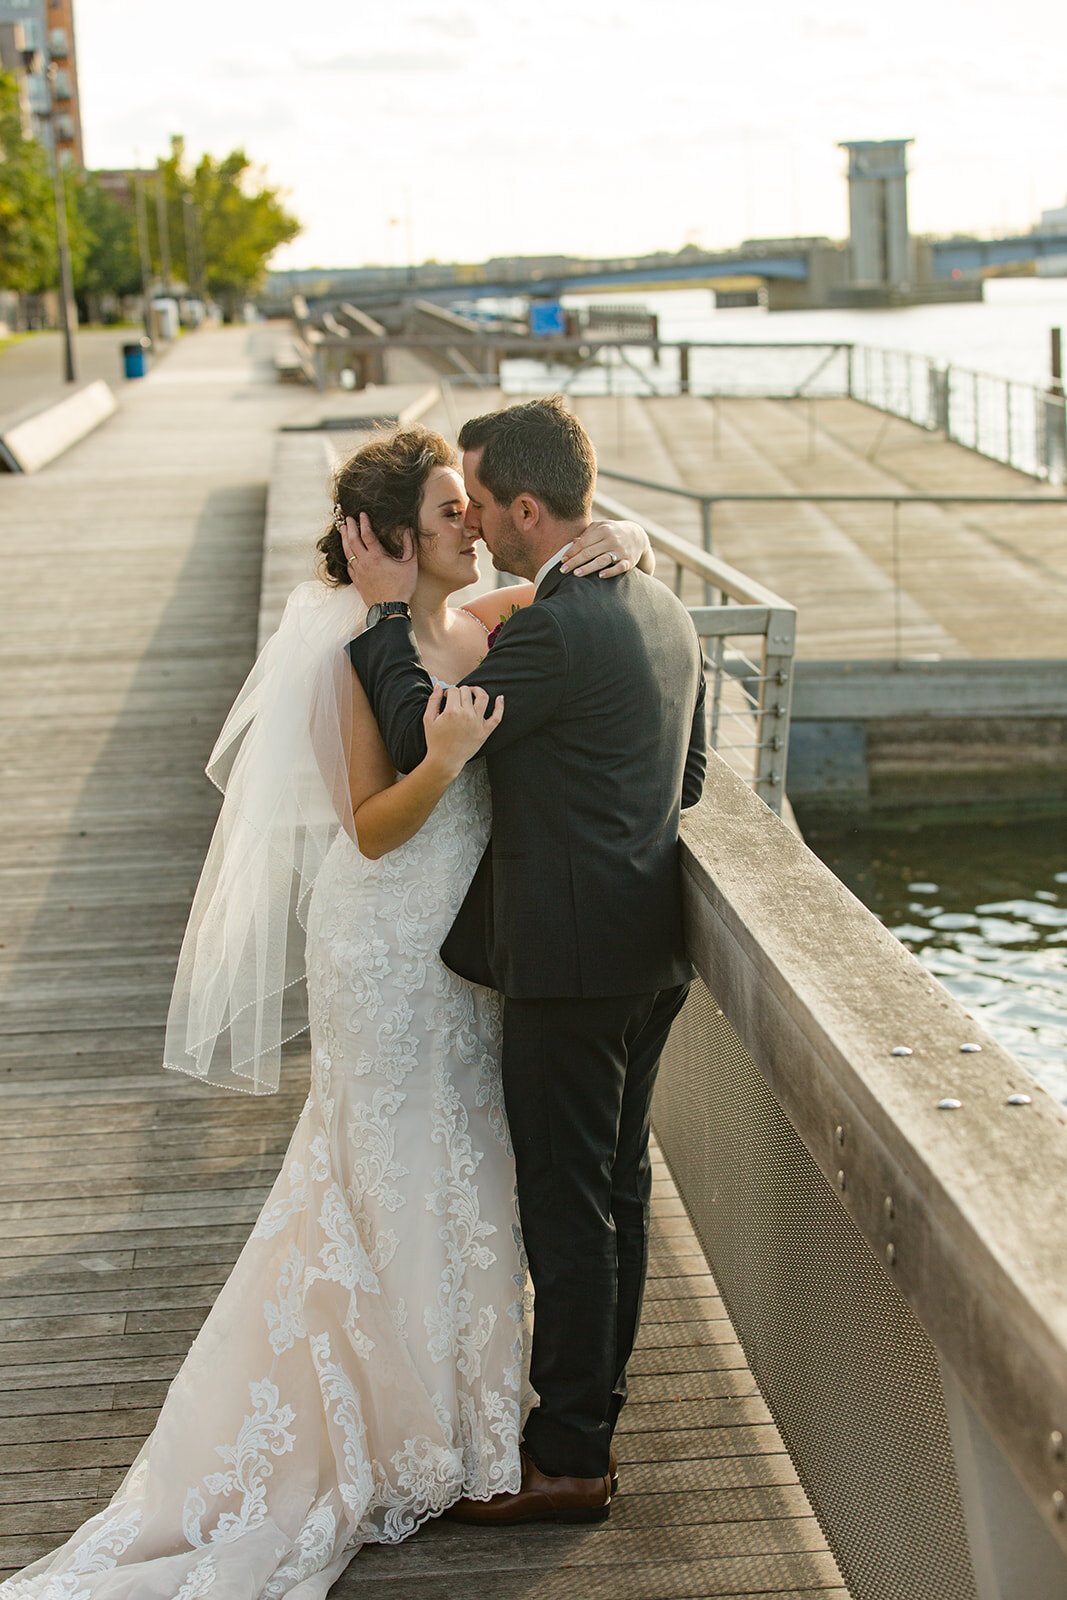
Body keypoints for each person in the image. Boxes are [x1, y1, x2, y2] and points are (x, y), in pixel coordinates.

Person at [0, 427, 652, 1600]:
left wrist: (632, 533)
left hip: (465, 949)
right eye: (448, 509)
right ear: (394, 539)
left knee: (461, 1160)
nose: (469, 523)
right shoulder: (352, 653)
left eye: (470, 506)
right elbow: (368, 824)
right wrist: (446, 762)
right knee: (388, 1161)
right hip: (383, 939)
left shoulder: (488, 620)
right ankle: (392, 1423)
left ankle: (457, 1412)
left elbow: (562, 576)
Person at [344, 396, 707, 1526]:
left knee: (567, 1210)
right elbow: (686, 782)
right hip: (647, 955)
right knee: (616, 1193)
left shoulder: (554, 629)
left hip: (568, 964)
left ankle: (566, 1460)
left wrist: (378, 624)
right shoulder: (661, 608)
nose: (479, 524)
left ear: (528, 508)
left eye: (485, 503)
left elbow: (421, 736)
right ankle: (589, 1429)